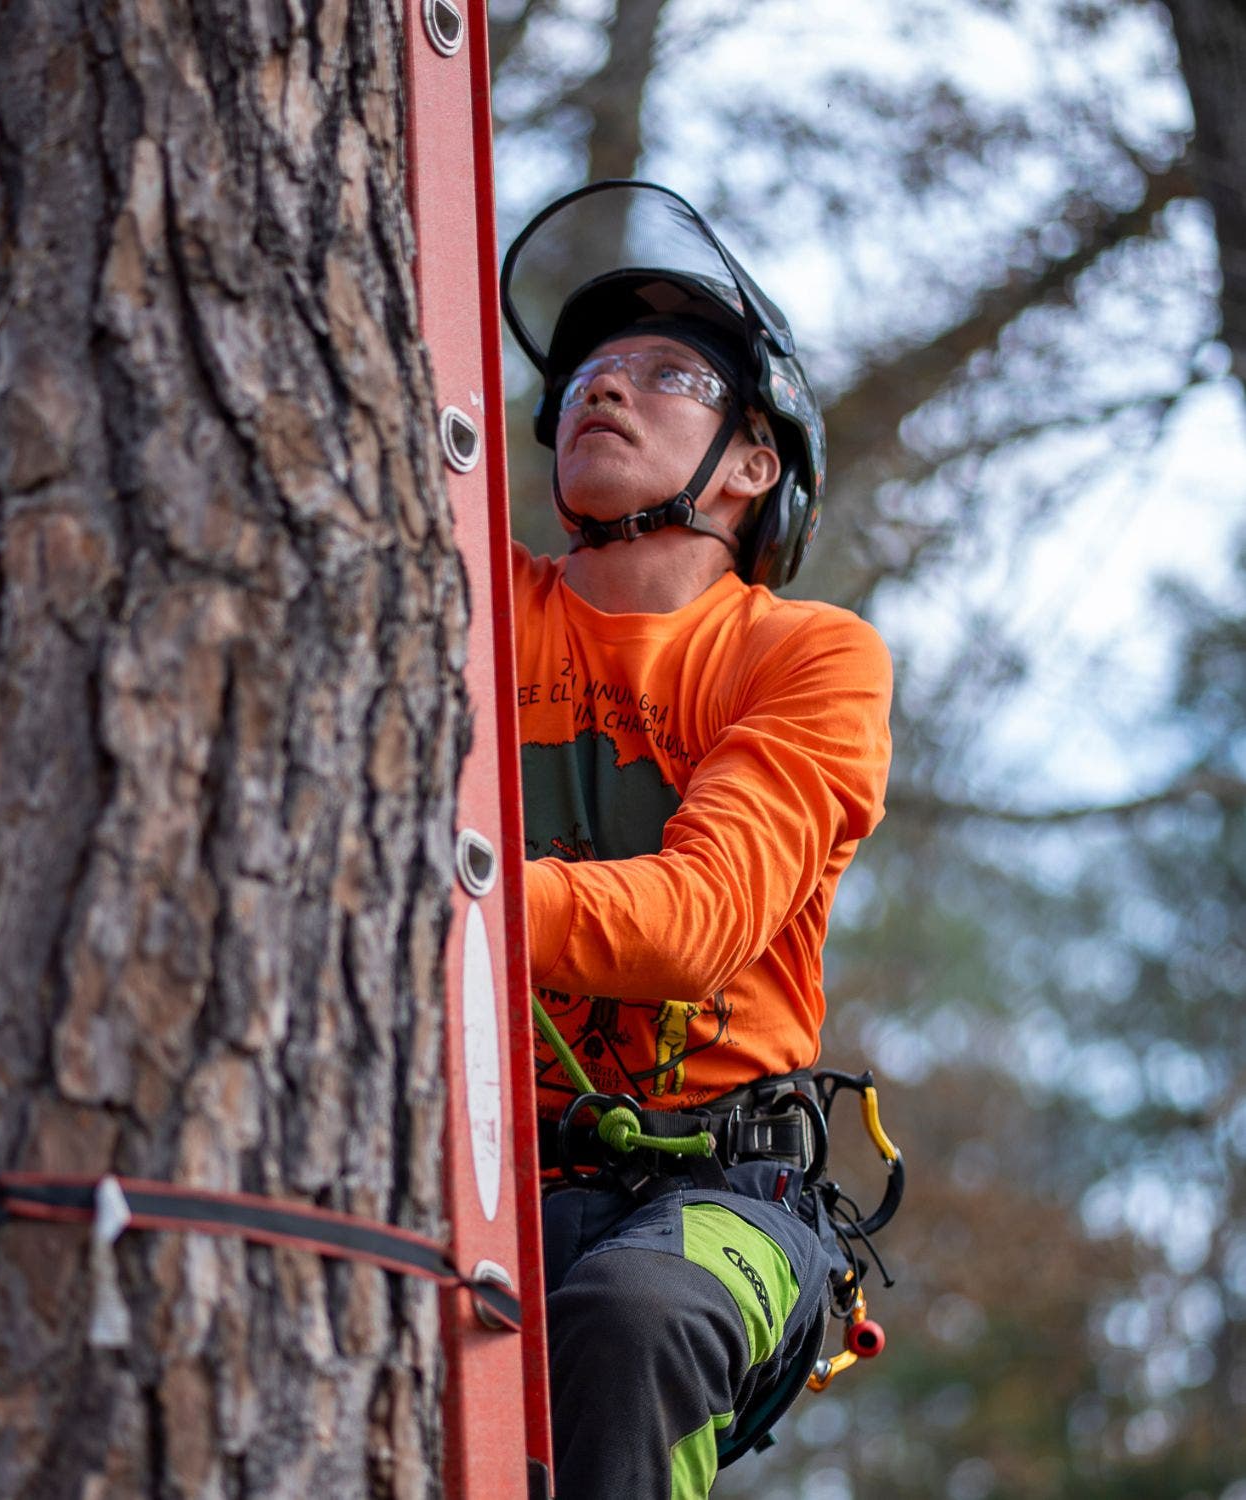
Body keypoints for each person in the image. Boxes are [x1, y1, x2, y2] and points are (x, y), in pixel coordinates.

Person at [500, 181, 895, 1499]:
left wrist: (440, 892)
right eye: (589, 374)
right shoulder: (480, 603)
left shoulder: (807, 654)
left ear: (749, 463)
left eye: (667, 375)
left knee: (636, 1316)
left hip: (723, 1202)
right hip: (493, 1162)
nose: (604, 390)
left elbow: (696, 924)